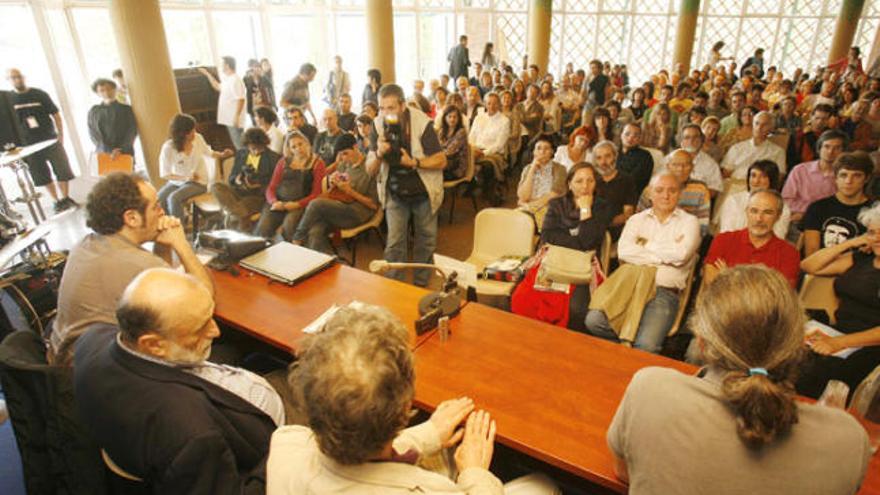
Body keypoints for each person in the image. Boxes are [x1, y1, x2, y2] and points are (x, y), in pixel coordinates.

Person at [608, 265, 871, 495]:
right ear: (798, 345)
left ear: (701, 342)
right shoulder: (847, 439)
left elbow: (625, 473)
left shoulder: (650, 390)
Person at [266, 302, 559, 494]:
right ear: (407, 407)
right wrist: (474, 472)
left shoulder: (285, 445)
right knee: (543, 485)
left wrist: (427, 434)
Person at [75, 268, 280, 494]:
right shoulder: (193, 435)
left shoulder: (90, 339)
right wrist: (284, 453)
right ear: (153, 345)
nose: (216, 331)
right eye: (201, 327)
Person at [49, 172, 213, 364]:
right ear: (132, 218)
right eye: (156, 206)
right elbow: (204, 302)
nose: (162, 212)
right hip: (100, 375)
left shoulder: (87, 244)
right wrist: (182, 244)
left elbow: (162, 282)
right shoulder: (135, 263)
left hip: (68, 360)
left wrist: (164, 245)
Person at [585, 173, 701, 353]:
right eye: (659, 190)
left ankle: (631, 361)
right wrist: (663, 255)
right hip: (629, 286)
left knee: (646, 346)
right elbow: (624, 252)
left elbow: (682, 255)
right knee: (594, 321)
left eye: (672, 191)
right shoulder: (636, 220)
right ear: (649, 194)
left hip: (663, 293)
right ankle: (625, 352)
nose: (665, 195)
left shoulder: (690, 222)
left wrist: (646, 245)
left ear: (680, 194)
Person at [512, 163, 613, 330]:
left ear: (596, 184)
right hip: (554, 258)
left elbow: (589, 242)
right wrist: (578, 241)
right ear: (569, 184)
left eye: (590, 181)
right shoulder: (557, 204)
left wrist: (586, 210)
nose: (585, 186)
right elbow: (548, 236)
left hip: (584, 264)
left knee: (577, 309)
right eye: (579, 181)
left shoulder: (602, 206)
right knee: (521, 298)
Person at [799, 203, 880, 399]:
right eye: (872, 232)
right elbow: (809, 265)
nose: (877, 238)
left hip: (870, 345)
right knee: (785, 353)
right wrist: (850, 243)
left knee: (814, 374)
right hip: (837, 329)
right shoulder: (860, 258)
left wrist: (839, 343)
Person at [368, 84, 446, 287]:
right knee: (394, 245)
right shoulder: (377, 126)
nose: (385, 114)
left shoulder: (422, 122)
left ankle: (420, 287)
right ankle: (396, 289)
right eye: (382, 108)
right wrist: (378, 153)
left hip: (424, 192)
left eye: (391, 108)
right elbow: (370, 169)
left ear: (402, 106)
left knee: (426, 241)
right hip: (395, 193)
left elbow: (441, 160)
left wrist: (414, 162)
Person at [292, 134, 378, 254]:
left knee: (316, 204)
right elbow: (335, 189)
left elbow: (373, 205)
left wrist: (350, 191)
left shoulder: (369, 168)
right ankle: (322, 265)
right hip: (338, 209)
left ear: (355, 147)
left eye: (345, 153)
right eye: (340, 154)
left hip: (358, 213)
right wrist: (334, 183)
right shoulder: (344, 164)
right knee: (315, 231)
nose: (343, 158)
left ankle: (296, 239)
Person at [6, 68, 76, 212]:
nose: (17, 80)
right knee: (40, 174)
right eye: (13, 78)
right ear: (8, 80)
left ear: (24, 77)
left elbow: (55, 114)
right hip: (27, 144)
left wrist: (60, 135)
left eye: (19, 76)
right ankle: (56, 201)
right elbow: (9, 125)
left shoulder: (39, 94)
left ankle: (65, 198)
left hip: (49, 139)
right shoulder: (9, 99)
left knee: (62, 169)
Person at [707, 189, 800, 288]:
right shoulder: (723, 241)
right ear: (746, 212)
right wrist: (762, 285)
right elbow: (712, 284)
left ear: (778, 216)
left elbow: (779, 295)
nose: (759, 218)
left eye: (767, 212)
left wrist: (729, 278)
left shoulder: (789, 254)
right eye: (754, 211)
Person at [158, 114, 232, 219]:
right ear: (182, 134)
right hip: (177, 182)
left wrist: (222, 155)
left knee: (173, 198)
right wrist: (186, 177)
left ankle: (179, 230)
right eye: (191, 131)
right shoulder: (168, 148)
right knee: (160, 197)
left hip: (198, 182)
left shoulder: (198, 138)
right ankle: (169, 225)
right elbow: (165, 174)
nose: (194, 133)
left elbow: (209, 153)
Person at [256, 130, 326, 241]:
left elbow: (317, 194)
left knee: (289, 226)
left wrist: (297, 204)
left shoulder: (318, 163)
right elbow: (271, 187)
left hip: (301, 204)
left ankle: (292, 254)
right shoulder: (283, 162)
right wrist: (274, 202)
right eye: (294, 147)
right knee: (263, 228)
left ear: (307, 143)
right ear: (290, 149)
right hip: (279, 202)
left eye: (300, 144)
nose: (298, 149)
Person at [802, 151, 875, 256]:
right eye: (843, 175)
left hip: (861, 270)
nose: (848, 181)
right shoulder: (818, 208)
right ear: (835, 178)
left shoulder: (875, 210)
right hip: (820, 269)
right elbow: (811, 253)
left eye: (857, 176)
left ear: (866, 178)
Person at [212, 127, 280, 232]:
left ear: (264, 145)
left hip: (257, 195)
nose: (256, 152)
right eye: (253, 148)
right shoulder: (241, 154)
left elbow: (275, 186)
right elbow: (231, 178)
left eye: (259, 149)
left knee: (240, 206)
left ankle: (236, 216)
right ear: (247, 145)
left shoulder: (273, 158)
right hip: (239, 190)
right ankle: (242, 216)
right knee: (216, 187)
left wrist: (258, 186)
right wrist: (237, 180)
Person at [638, 150, 711, 234]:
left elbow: (702, 225)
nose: (680, 169)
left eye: (686, 165)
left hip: (685, 237)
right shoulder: (652, 187)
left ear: (692, 167)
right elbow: (640, 218)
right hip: (651, 235)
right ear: (668, 166)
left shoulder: (700, 189)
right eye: (675, 165)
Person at [782, 129, 846, 223]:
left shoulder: (845, 176)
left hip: (829, 222)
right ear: (819, 148)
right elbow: (786, 199)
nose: (830, 151)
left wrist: (813, 211)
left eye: (836, 148)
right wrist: (809, 211)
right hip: (799, 220)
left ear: (843, 152)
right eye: (826, 147)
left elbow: (843, 205)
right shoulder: (800, 170)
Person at [718, 159, 791, 239]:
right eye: (753, 175)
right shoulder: (734, 200)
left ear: (772, 180)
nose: (756, 181)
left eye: (763, 176)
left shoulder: (783, 208)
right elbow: (726, 232)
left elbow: (779, 237)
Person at [469, 92, 510, 205]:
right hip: (475, 149)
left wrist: (483, 153)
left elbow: (499, 144)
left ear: (499, 104)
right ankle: (470, 186)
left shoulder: (504, 120)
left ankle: (489, 192)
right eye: (489, 103)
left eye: (495, 103)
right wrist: (473, 149)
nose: (491, 106)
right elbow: (471, 137)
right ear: (485, 104)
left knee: (487, 166)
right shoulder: (479, 118)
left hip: (494, 153)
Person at [517, 134, 566, 227]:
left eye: (546, 148)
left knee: (523, 222)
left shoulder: (560, 169)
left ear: (552, 152)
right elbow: (523, 196)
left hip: (550, 211)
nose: (542, 151)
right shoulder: (527, 169)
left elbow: (554, 194)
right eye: (538, 148)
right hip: (528, 211)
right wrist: (532, 170)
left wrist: (528, 206)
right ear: (534, 152)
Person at [721, 111, 786, 180]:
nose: (759, 127)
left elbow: (779, 176)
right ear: (752, 125)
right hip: (735, 185)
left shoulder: (778, 152)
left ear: (771, 128)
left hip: (761, 187)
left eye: (764, 125)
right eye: (757, 123)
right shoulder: (736, 148)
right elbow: (725, 173)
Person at [198, 57, 246, 148]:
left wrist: (236, 116)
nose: (221, 66)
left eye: (222, 64)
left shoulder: (236, 79)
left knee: (240, 145)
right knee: (237, 144)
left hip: (233, 119)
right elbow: (217, 86)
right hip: (229, 118)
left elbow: (241, 98)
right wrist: (207, 74)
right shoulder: (228, 79)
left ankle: (245, 161)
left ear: (227, 65)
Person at [593, 140, 637, 239]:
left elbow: (627, 214)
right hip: (590, 228)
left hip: (616, 230)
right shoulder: (591, 179)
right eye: (599, 158)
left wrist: (604, 225)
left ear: (615, 157)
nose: (603, 162)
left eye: (607, 156)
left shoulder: (626, 180)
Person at [87, 78, 138, 163]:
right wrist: (108, 150)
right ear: (97, 93)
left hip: (125, 153)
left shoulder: (126, 109)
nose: (106, 92)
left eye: (109, 89)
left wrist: (121, 150)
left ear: (115, 89)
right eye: (102, 90)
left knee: (128, 175)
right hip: (104, 153)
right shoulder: (94, 111)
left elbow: (132, 130)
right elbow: (93, 133)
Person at [668, 124, 723, 195]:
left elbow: (715, 189)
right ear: (681, 141)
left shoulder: (710, 164)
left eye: (695, 137)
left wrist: (691, 195)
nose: (691, 141)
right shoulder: (669, 159)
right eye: (687, 137)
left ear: (702, 140)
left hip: (697, 202)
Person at [617, 123, 654, 193]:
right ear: (621, 135)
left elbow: (635, 180)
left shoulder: (645, 156)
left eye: (635, 136)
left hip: (631, 194)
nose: (630, 138)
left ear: (640, 138)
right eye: (627, 134)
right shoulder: (612, 153)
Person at [438, 105, 469, 181]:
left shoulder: (461, 132)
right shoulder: (442, 131)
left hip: (456, 167)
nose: (452, 119)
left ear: (459, 119)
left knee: (433, 172)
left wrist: (436, 155)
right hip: (445, 162)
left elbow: (450, 151)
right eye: (449, 116)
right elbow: (437, 147)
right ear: (445, 118)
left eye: (455, 117)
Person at [243, 59, 274, 125]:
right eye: (252, 67)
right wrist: (252, 77)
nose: (254, 69)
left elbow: (270, 85)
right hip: (253, 106)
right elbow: (248, 89)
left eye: (256, 67)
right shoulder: (247, 78)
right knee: (256, 124)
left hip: (265, 104)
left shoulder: (263, 77)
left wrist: (262, 75)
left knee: (268, 123)